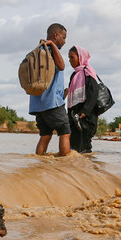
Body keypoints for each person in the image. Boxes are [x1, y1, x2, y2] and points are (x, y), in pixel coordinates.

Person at [30, 23, 70, 156]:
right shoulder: (50, 50)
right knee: (65, 132)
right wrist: (52, 45)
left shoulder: (38, 51)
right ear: (55, 35)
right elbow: (62, 66)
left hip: (38, 105)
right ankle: (64, 165)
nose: (64, 41)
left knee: (45, 135)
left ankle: (39, 162)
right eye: (63, 38)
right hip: (52, 102)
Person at [66, 46, 102, 154]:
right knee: (74, 147)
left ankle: (86, 168)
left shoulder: (88, 72)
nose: (70, 61)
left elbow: (93, 93)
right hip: (74, 116)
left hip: (86, 117)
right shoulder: (74, 74)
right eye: (69, 58)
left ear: (80, 57)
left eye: (72, 57)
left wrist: (85, 111)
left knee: (84, 146)